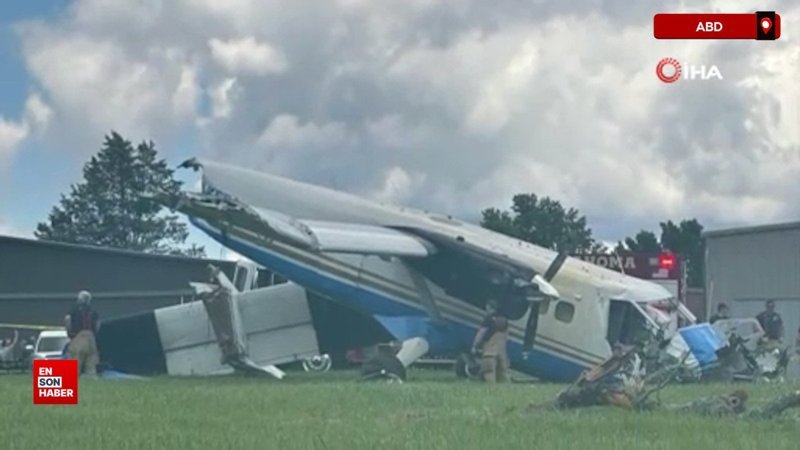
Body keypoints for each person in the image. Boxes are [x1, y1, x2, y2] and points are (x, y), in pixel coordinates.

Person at [471, 299, 510, 383]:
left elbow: (481, 333)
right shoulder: (504, 320)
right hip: (501, 351)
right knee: (502, 373)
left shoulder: (488, 319)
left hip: (490, 351)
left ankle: (491, 389)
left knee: (488, 370)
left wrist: (475, 346)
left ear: (489, 307)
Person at [64, 290, 100, 376]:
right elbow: (98, 324)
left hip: (78, 336)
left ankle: (73, 380)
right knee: (91, 362)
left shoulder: (74, 310)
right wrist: (94, 334)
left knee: (74, 361)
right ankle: (91, 381)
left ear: (79, 299)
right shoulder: (93, 311)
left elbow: (67, 319)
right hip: (91, 337)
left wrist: (69, 332)